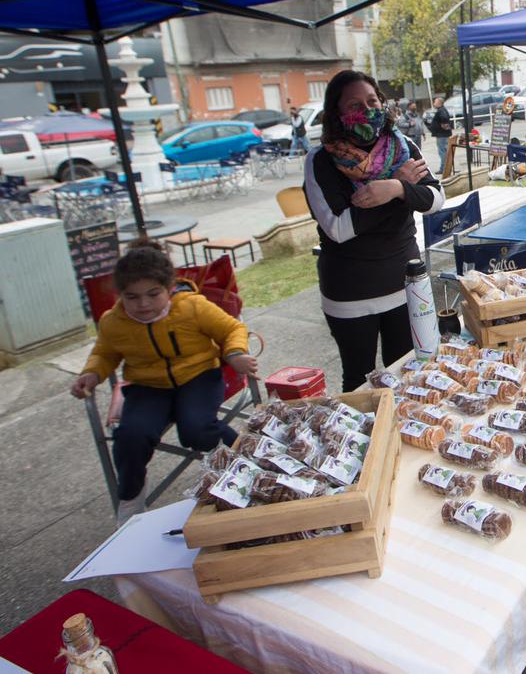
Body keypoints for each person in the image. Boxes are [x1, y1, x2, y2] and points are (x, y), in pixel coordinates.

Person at [69, 243, 258, 525]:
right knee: (131, 435)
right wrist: (92, 374)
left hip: (199, 378)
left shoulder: (192, 307)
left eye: (153, 294)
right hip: (147, 387)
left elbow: (232, 328)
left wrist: (235, 353)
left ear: (169, 287)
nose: (143, 304)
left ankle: (253, 461)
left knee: (196, 429)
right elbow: (105, 353)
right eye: (132, 297)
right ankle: (131, 497)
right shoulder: (113, 322)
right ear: (120, 295)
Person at [303, 70, 444, 391]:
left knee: (409, 372)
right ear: (337, 114)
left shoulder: (402, 145)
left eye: (372, 100)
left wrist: (394, 188)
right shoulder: (321, 161)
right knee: (358, 381)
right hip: (351, 295)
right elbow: (339, 228)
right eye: (355, 104)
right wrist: (399, 190)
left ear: (382, 102)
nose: (367, 109)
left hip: (404, 286)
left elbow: (435, 199)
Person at [428, 95, 453, 173]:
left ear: (439, 103)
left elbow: (444, 118)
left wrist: (444, 124)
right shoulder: (442, 109)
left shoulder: (441, 110)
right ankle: (446, 167)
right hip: (442, 134)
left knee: (442, 152)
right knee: (444, 151)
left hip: (441, 135)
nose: (434, 103)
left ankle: (443, 169)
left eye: (435, 102)